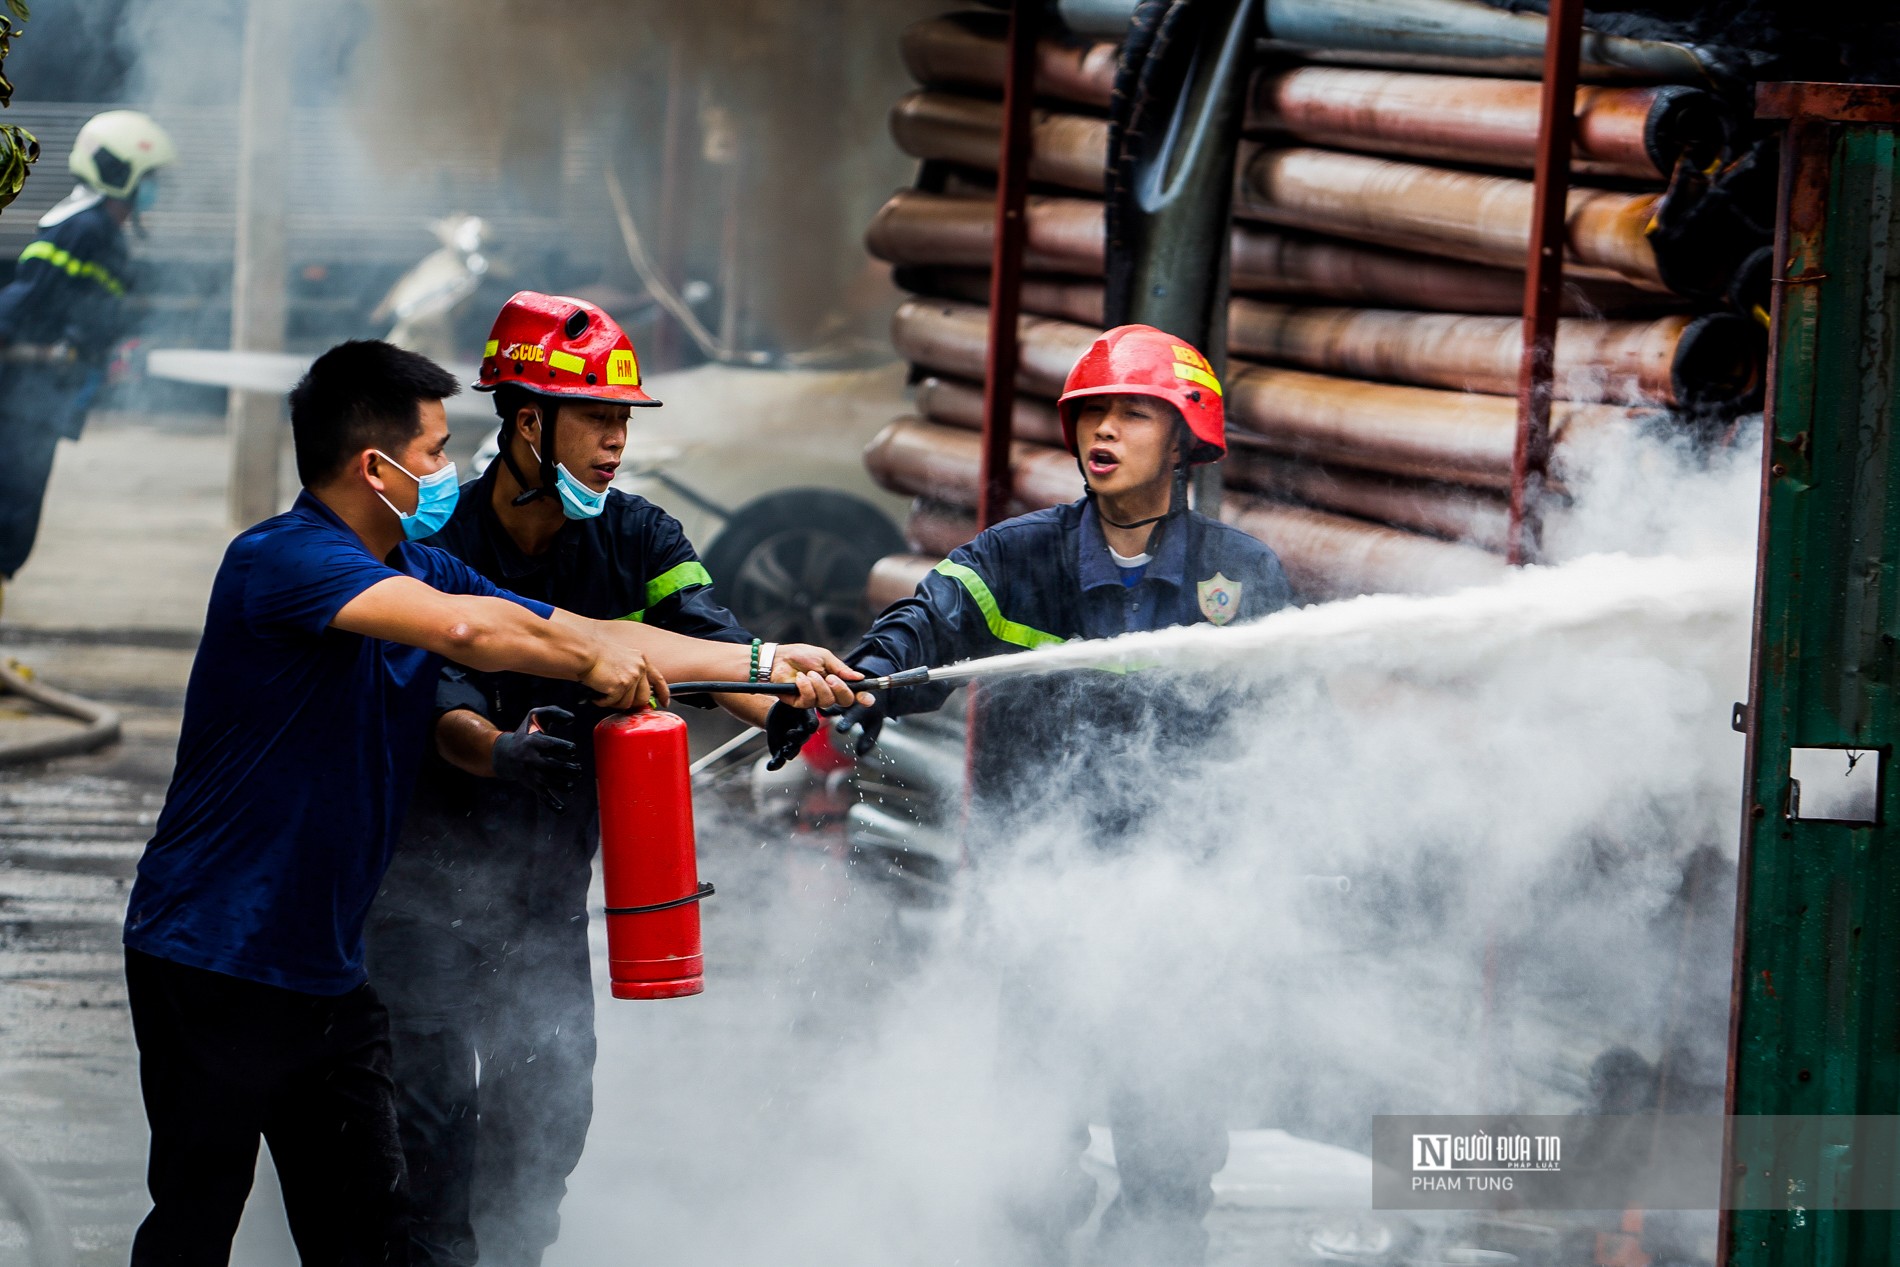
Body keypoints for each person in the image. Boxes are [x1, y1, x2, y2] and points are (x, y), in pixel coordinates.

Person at [121, 338, 864, 1267]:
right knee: (196, 1219)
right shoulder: (281, 559)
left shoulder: (425, 570)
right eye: (433, 451)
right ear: (374, 467)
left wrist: (764, 665)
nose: (445, 472)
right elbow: (479, 633)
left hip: (329, 973)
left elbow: (576, 627)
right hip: (212, 956)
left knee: (373, 1235)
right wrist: (592, 663)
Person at [365, 292, 821, 1267]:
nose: (617, 440)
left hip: (542, 889)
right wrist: (498, 751)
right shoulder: (436, 540)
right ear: (527, 421)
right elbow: (432, 695)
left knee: (547, 1118)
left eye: (625, 420)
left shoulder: (638, 537)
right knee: (430, 1125)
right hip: (419, 885)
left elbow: (708, 642)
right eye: (598, 419)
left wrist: (778, 705)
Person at [835, 325, 1292, 1267]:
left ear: (1184, 436)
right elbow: (927, 620)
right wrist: (870, 674)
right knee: (1031, 1160)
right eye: (1092, 412)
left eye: (1133, 412)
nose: (1104, 431)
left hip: (1182, 928)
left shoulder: (1241, 576)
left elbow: (1288, 733)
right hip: (1037, 908)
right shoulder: (1016, 558)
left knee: (1169, 1169)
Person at [0, 110, 174, 608]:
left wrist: (101, 348)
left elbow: (81, 311)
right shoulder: (87, 229)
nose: (152, 190)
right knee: (7, 521)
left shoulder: (94, 229)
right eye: (149, 178)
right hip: (23, 398)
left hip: (36, 398)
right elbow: (30, 300)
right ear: (120, 171)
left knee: (12, 522)